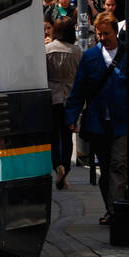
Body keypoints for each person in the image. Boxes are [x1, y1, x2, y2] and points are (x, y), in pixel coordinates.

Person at [65, 12, 127, 223]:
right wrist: (71, 116)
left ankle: (116, 211)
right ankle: (111, 208)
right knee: (106, 167)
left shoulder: (128, 54)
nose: (102, 37)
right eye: (99, 34)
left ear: (116, 31)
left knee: (118, 165)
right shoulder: (90, 56)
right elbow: (78, 89)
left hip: (122, 121)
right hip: (99, 122)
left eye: (106, 34)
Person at [46, 18, 82, 189]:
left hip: (52, 98)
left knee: (53, 136)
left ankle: (56, 166)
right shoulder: (76, 51)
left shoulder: (47, 50)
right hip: (70, 97)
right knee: (67, 136)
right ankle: (65, 169)